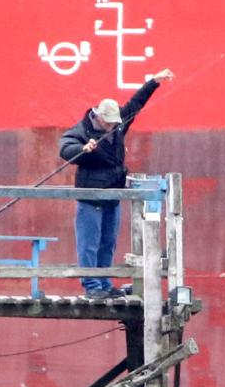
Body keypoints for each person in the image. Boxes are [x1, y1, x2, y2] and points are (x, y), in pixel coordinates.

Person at [59, 69, 175, 297]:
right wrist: (83, 149)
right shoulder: (82, 130)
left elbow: (136, 104)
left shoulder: (118, 123)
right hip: (91, 197)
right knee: (88, 244)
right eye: (109, 122)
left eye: (115, 122)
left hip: (113, 196)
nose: (113, 126)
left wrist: (154, 82)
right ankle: (92, 287)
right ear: (99, 116)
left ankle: (104, 284)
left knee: (108, 243)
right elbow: (65, 148)